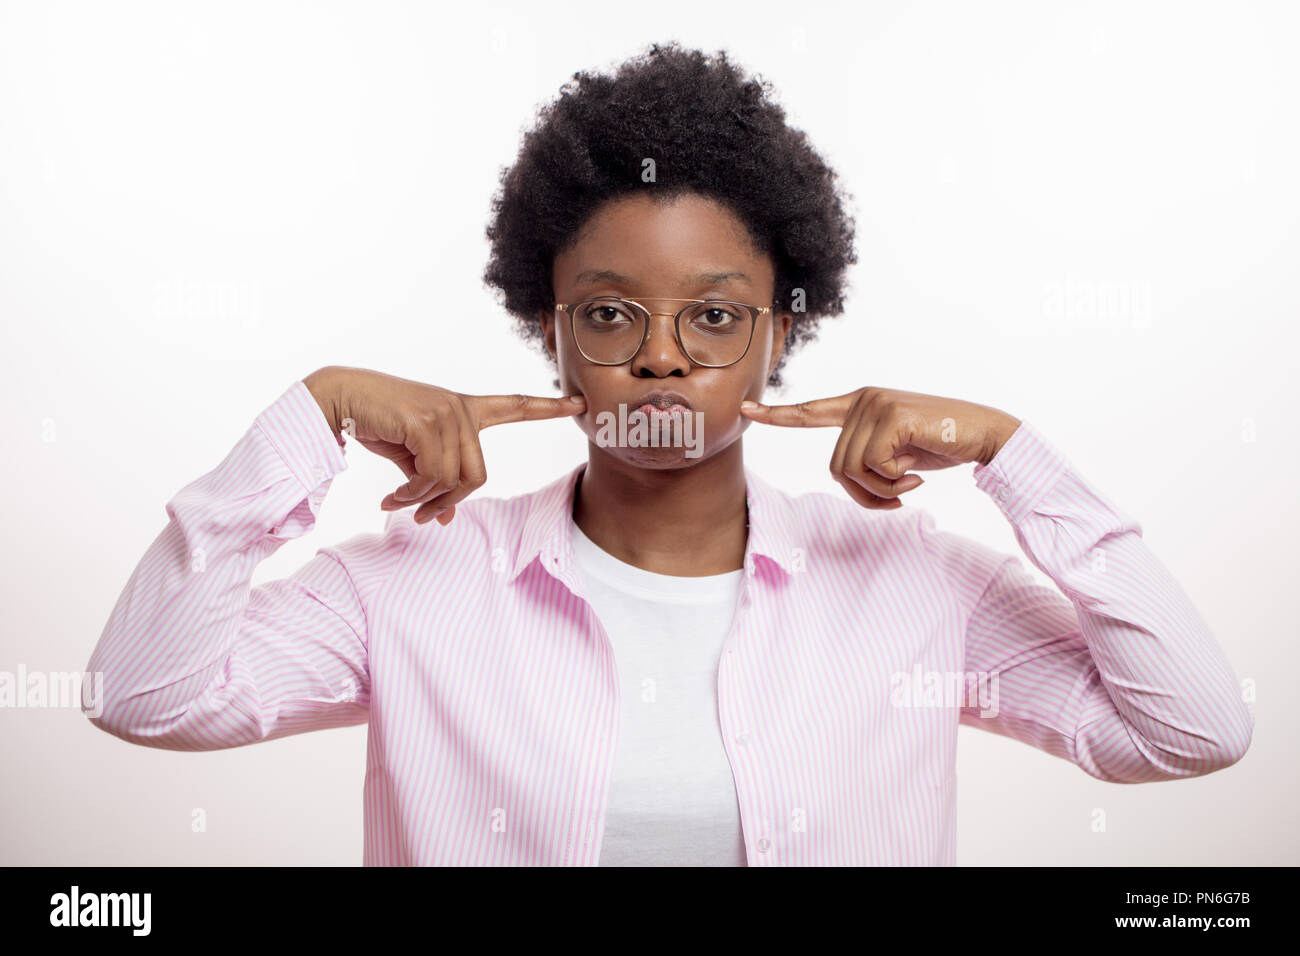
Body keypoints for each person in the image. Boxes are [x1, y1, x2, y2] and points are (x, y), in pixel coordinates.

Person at [84, 42, 1252, 866]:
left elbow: (1191, 728)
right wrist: (313, 413)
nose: (658, 359)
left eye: (712, 315)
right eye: (605, 314)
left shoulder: (914, 585)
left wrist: (1008, 452)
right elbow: (141, 695)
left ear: (778, 335)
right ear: (551, 335)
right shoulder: (414, 579)